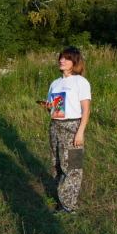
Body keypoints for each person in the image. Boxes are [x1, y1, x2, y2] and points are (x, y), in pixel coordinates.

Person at [40, 46, 91, 215]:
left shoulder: (81, 82)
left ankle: (69, 205)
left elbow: (86, 110)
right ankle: (62, 198)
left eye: (66, 58)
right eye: (61, 57)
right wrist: (49, 107)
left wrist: (80, 132)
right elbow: (56, 109)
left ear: (74, 62)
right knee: (57, 164)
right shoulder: (55, 83)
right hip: (55, 126)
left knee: (73, 166)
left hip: (73, 127)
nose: (61, 60)